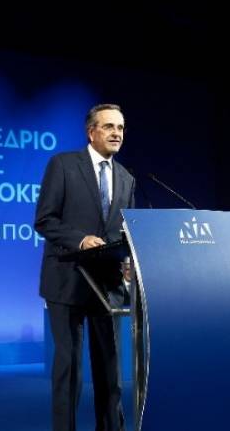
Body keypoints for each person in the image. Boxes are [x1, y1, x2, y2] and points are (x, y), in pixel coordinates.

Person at [35, 104, 135, 431]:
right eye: (109, 127)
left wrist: (129, 260)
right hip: (68, 279)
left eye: (120, 127)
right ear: (91, 132)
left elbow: (128, 232)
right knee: (69, 368)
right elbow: (45, 220)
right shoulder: (63, 165)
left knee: (110, 369)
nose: (116, 133)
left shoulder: (127, 178)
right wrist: (80, 240)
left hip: (108, 285)